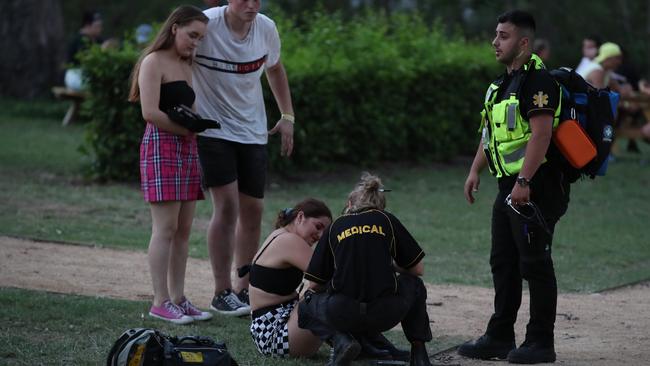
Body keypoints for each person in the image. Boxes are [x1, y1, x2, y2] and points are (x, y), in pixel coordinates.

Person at [460, 10, 570, 364]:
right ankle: (499, 335)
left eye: (503, 36)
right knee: (503, 262)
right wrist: (475, 170)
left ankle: (541, 342)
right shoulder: (499, 84)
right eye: (495, 34)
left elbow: (541, 134)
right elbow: (489, 134)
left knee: (535, 263)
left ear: (523, 42)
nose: (495, 42)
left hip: (535, 186)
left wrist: (524, 181)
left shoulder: (538, 82)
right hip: (508, 187)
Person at [192, 0, 296, 316]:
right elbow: (174, 57)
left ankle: (244, 288)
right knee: (226, 206)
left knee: (254, 210)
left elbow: (275, 68)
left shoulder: (266, 28)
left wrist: (287, 115)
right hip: (212, 130)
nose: (252, 5)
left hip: (252, 131)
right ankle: (221, 291)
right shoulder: (206, 25)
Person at [127, 5, 212, 325]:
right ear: (174, 28)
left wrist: (197, 125)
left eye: (200, 38)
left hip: (187, 149)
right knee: (165, 228)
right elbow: (149, 112)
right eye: (192, 35)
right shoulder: (153, 61)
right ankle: (159, 301)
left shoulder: (185, 64)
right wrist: (187, 130)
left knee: (184, 230)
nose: (195, 43)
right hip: (161, 147)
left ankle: (178, 298)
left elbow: (189, 108)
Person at [298, 173, 434, 366]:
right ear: (380, 206)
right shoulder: (386, 220)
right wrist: (392, 266)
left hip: (344, 313)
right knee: (415, 285)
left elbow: (314, 283)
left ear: (349, 202)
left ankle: (341, 341)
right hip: (386, 313)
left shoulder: (335, 226)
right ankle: (419, 352)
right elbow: (417, 269)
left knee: (307, 302)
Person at [248, 199, 332, 358]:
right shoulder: (289, 240)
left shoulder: (280, 234)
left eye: (324, 233)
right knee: (326, 290)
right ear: (300, 217)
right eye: (318, 227)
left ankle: (363, 342)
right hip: (276, 336)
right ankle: (358, 342)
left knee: (323, 289)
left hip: (273, 332)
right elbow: (326, 274)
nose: (320, 236)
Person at [64, 11, 105, 90]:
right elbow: (86, 60)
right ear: (87, 25)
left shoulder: (98, 40)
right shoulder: (78, 40)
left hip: (88, 77)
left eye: (100, 26)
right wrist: (102, 50)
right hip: (75, 76)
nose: (100, 29)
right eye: (97, 26)